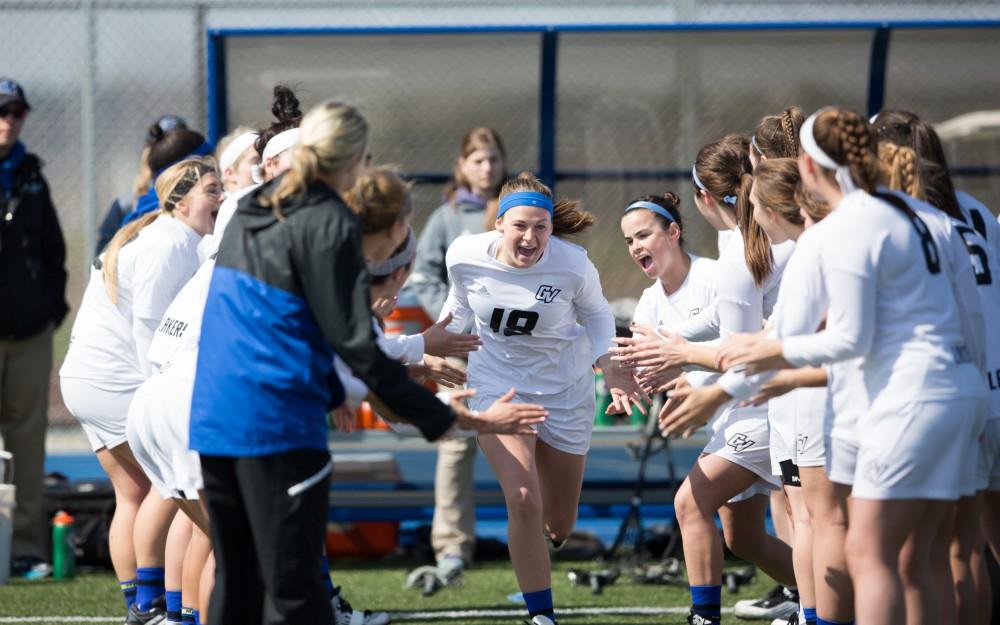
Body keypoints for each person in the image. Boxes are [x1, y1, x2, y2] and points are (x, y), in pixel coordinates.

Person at [188, 101, 542, 625]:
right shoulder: (330, 223)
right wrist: (453, 418)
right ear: (355, 159)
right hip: (276, 426)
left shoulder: (253, 204)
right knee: (297, 593)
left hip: (212, 416)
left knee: (238, 583)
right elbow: (362, 351)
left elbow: (300, 328)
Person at [706, 107, 987, 625]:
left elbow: (836, 338)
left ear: (807, 168)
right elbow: (971, 319)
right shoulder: (930, 216)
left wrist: (723, 385)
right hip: (966, 393)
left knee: (872, 555)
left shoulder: (838, 230)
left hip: (905, 403)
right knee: (930, 555)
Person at [439, 172, 644, 625]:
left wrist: (610, 368)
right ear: (499, 225)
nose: (530, 237)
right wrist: (428, 352)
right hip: (498, 387)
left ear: (552, 227)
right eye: (520, 226)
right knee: (523, 496)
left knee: (558, 524)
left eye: (541, 227)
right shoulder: (464, 255)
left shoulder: (573, 265)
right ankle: (542, 615)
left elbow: (597, 316)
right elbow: (458, 307)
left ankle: (550, 544)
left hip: (566, 391)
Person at [613, 136, 797, 625]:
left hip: (769, 402)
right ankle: (814, 597)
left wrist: (689, 368)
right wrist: (629, 378)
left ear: (680, 225)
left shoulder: (728, 262)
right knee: (743, 536)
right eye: (628, 240)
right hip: (757, 401)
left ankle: (710, 616)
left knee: (693, 502)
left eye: (644, 235)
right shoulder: (659, 297)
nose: (635, 247)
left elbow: (741, 355)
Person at [60, 156, 222, 622]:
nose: (221, 198)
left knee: (134, 493)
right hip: (115, 380)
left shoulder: (172, 237)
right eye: (211, 190)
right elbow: (150, 328)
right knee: (169, 487)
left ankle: (144, 605)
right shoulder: (170, 242)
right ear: (179, 199)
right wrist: (165, 397)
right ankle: (161, 605)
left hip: (94, 377)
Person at [873, 117, 1000, 625]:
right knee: (973, 548)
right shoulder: (973, 210)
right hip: (989, 388)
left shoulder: (905, 218)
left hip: (950, 392)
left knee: (941, 553)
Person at [407, 127, 507, 579]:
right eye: (478, 160)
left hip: (519, 351)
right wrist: (453, 322)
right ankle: (451, 547)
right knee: (455, 444)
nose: (487, 168)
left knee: (533, 435)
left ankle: (546, 529)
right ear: (462, 165)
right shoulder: (447, 218)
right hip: (464, 352)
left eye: (493, 159)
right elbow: (423, 275)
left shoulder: (517, 211)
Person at [0, 77, 69, 578]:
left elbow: (53, 253)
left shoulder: (32, 174)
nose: (9, 121)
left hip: (28, 333)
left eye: (17, 112)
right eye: (2, 111)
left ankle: (24, 548)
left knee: (28, 441)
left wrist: (48, 309)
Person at [95, 115, 188, 255]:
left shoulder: (202, 201)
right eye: (162, 147)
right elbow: (101, 262)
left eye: (177, 148)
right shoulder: (126, 206)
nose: (170, 156)